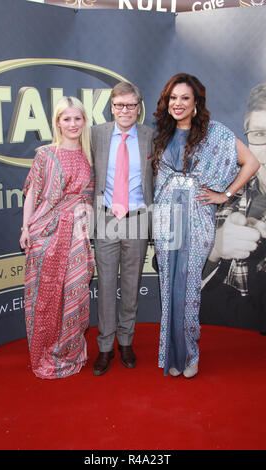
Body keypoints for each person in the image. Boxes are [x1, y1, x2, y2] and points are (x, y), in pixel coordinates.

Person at [153, 73, 259, 378]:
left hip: (198, 218)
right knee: (168, 285)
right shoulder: (163, 132)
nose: (178, 103)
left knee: (188, 286)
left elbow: (251, 162)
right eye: (173, 98)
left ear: (196, 102)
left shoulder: (216, 134)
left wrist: (224, 194)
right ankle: (172, 354)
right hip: (166, 220)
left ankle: (191, 354)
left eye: (185, 98)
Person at [19, 96, 95, 379]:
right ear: (58, 123)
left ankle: (69, 351)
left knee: (74, 297)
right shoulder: (45, 154)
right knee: (46, 299)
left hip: (76, 235)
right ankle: (44, 354)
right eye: (67, 119)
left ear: (84, 121)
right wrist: (26, 228)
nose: (73, 124)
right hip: (45, 234)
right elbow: (31, 193)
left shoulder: (90, 156)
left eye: (77, 118)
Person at [201, 76, 266, 334]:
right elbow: (165, 262)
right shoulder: (221, 185)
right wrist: (213, 247)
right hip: (220, 346)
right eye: (260, 134)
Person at [91, 81, 154, 376]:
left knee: (130, 286)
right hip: (105, 218)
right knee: (105, 286)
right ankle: (105, 347)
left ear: (138, 108)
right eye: (119, 105)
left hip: (138, 217)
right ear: (111, 107)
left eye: (130, 105)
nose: (125, 110)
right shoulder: (97, 135)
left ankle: (126, 342)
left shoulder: (150, 136)